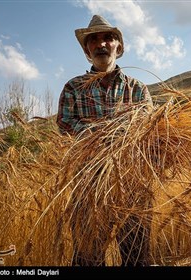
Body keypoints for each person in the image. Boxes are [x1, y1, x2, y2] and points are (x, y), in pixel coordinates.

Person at [56, 14, 153, 266]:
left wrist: (120, 135)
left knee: (136, 258)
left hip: (133, 185)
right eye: (94, 40)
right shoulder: (73, 87)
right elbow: (65, 124)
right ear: (87, 50)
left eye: (108, 38)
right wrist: (103, 135)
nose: (101, 44)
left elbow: (149, 129)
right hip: (87, 184)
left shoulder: (138, 88)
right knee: (87, 257)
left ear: (118, 46)